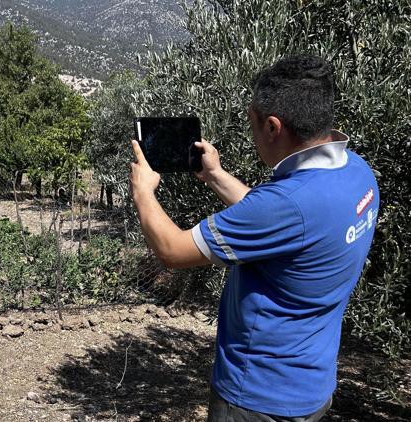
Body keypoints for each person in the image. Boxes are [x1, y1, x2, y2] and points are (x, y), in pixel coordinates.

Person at [129, 55, 379, 421]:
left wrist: (143, 192)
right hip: (312, 386)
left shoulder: (287, 205)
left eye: (253, 123)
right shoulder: (357, 174)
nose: (253, 132)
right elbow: (285, 226)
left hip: (257, 397)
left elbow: (171, 250)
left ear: (274, 127)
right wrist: (215, 176)